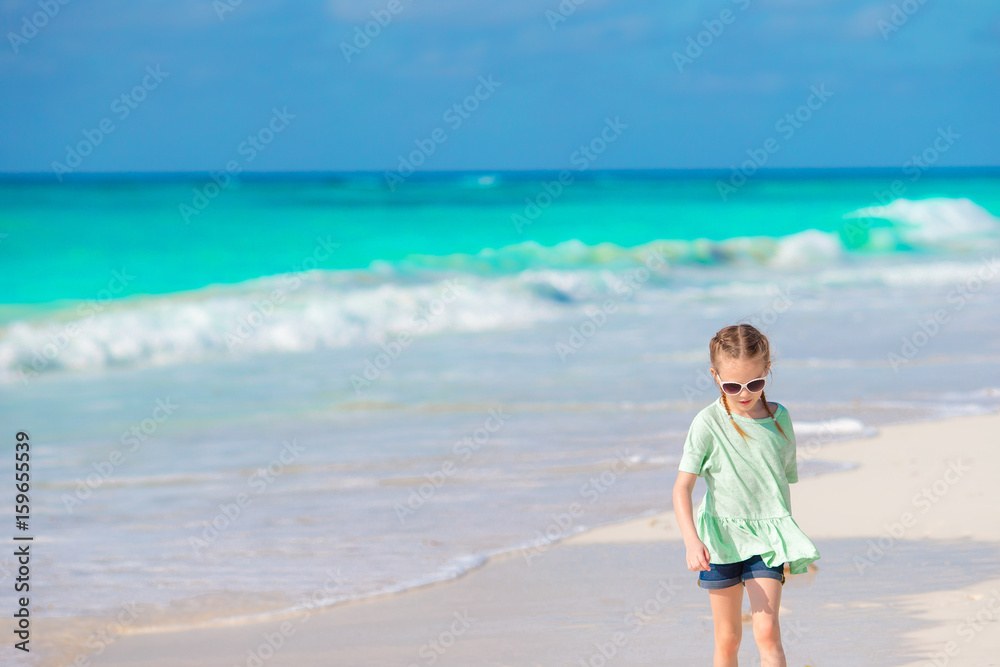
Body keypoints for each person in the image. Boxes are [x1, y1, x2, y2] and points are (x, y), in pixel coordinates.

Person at [673, 324, 819, 667]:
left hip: (766, 539)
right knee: (728, 638)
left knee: (767, 632)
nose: (744, 393)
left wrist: (787, 539)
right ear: (714, 376)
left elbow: (777, 484)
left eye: (755, 383)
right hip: (720, 540)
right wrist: (692, 542)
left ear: (767, 372)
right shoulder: (707, 423)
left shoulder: (779, 419)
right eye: (732, 385)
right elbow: (682, 488)